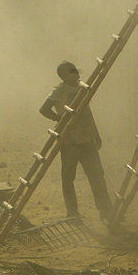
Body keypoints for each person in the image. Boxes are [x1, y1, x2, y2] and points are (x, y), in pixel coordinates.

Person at [40, 61, 113, 223]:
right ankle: (72, 213)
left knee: (97, 176)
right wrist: (60, 119)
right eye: (72, 71)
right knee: (68, 178)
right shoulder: (59, 90)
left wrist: (97, 135)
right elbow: (44, 109)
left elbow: (88, 112)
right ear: (64, 76)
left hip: (87, 140)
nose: (77, 73)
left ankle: (106, 211)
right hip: (70, 142)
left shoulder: (82, 87)